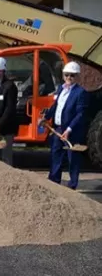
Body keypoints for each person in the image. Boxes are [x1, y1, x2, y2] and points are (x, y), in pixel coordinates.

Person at [39, 61, 88, 190]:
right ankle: (54, 182)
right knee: (56, 154)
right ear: (63, 75)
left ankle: (72, 185)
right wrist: (46, 117)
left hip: (72, 131)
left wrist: (69, 129)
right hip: (58, 128)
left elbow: (80, 114)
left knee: (73, 158)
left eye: (72, 75)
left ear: (77, 76)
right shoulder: (61, 89)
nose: (69, 78)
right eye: (66, 75)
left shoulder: (80, 92)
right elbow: (55, 106)